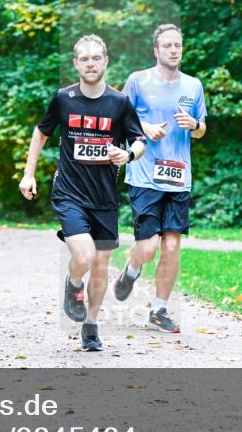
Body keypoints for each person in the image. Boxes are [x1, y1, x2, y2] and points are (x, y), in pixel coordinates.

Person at [19, 34, 146, 352]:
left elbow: (140, 140)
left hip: (104, 198)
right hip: (69, 193)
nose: (91, 63)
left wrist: (127, 156)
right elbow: (41, 132)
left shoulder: (119, 103)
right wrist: (28, 174)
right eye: (84, 59)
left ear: (106, 61)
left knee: (101, 264)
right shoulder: (64, 98)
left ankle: (90, 326)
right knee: (85, 255)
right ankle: (73, 283)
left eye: (96, 58)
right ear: (76, 64)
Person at [113, 23, 207, 333]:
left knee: (171, 246)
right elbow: (119, 117)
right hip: (144, 176)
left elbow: (202, 129)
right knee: (150, 246)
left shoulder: (193, 86)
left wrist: (194, 124)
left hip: (179, 178)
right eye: (166, 45)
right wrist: (144, 127)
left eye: (177, 45)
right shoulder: (138, 81)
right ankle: (133, 267)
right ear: (156, 51)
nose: (173, 50)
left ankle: (160, 310)